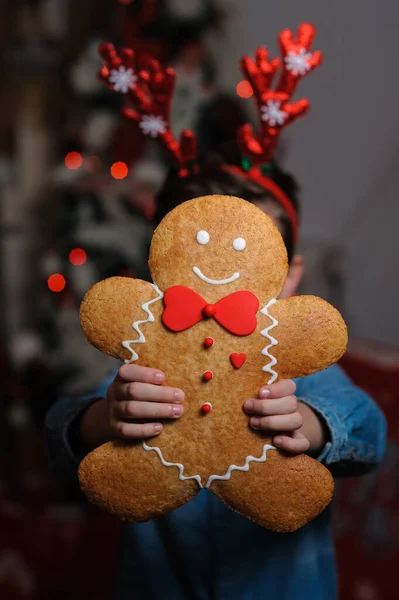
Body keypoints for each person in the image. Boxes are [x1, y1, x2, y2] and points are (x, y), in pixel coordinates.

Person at [45, 155, 386, 600]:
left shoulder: (305, 372)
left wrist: (310, 423)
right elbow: (57, 433)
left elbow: (369, 431)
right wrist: (105, 417)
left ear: (290, 277)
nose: (221, 282)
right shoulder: (143, 367)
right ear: (161, 271)